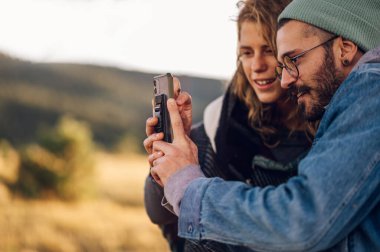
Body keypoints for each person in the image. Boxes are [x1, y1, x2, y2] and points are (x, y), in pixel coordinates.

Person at [149, 0, 380, 251]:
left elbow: (301, 221)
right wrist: (172, 170)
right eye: (246, 53)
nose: (285, 79)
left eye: (292, 59)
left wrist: (187, 184)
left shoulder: (371, 88)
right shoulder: (220, 128)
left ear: (345, 48)